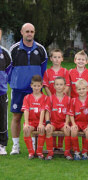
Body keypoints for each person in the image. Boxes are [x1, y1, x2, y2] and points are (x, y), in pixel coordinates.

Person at [9, 23, 48, 155]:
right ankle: (15, 146)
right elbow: (8, 69)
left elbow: (43, 71)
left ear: (34, 32)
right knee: (16, 117)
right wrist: (14, 82)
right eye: (27, 31)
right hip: (19, 90)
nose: (29, 34)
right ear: (22, 32)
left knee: (35, 118)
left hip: (35, 90)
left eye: (31, 31)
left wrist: (38, 86)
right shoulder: (14, 49)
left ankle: (33, 145)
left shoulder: (41, 49)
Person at [43, 49, 70, 151]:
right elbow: (45, 85)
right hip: (52, 99)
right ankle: (53, 146)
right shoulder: (47, 71)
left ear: (62, 59)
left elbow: (67, 85)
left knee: (62, 119)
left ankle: (60, 146)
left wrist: (62, 95)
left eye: (59, 57)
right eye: (55, 57)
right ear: (51, 58)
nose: (57, 59)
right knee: (53, 118)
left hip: (62, 98)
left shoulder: (65, 71)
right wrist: (51, 97)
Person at [44, 77, 71, 160]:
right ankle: (50, 153)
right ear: (54, 86)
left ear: (64, 86)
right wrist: (48, 123)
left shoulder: (68, 99)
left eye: (61, 84)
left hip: (63, 123)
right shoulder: (51, 98)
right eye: (57, 84)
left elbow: (68, 114)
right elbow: (47, 112)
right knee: (48, 129)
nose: (59, 86)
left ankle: (67, 153)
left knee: (67, 130)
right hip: (53, 122)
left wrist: (66, 123)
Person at [22, 75, 47, 159]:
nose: (36, 88)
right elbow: (26, 110)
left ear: (41, 86)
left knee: (42, 129)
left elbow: (43, 111)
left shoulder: (45, 98)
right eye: (34, 86)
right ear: (31, 85)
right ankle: (31, 152)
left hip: (40, 121)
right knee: (26, 129)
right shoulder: (27, 97)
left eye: (38, 86)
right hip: (31, 121)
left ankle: (39, 152)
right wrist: (26, 123)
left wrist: (40, 124)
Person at [68, 79, 88, 160]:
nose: (81, 91)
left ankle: (85, 152)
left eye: (83, 89)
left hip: (87, 122)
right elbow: (71, 114)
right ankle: (76, 152)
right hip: (77, 122)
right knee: (73, 131)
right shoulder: (73, 100)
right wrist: (74, 124)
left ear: (87, 89)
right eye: (79, 89)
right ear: (76, 90)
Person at [0, 28, 12, 155]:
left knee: (2, 119)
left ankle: (2, 145)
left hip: (1, 92)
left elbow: (9, 69)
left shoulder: (5, 52)